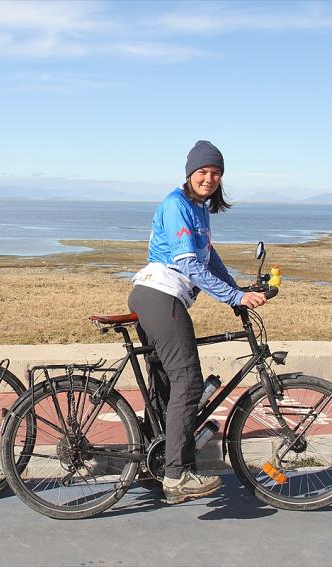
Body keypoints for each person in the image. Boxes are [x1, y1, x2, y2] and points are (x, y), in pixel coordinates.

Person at [128, 140, 267, 504]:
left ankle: (152, 464)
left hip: (161, 298)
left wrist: (236, 288)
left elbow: (208, 255)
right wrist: (233, 297)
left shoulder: (199, 208)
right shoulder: (176, 205)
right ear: (189, 173)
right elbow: (188, 263)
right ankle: (176, 475)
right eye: (203, 172)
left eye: (216, 173)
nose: (209, 178)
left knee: (166, 387)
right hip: (161, 296)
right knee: (188, 381)